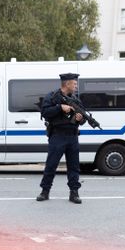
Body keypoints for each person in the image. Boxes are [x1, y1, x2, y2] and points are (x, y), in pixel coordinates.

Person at [36, 73, 85, 204]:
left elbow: (82, 119)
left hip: (72, 136)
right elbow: (45, 113)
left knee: (74, 167)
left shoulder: (76, 100)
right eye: (74, 84)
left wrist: (80, 119)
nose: (76, 86)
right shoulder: (52, 97)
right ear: (67, 84)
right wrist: (60, 108)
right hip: (57, 135)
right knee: (51, 165)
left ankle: (74, 193)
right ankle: (44, 192)